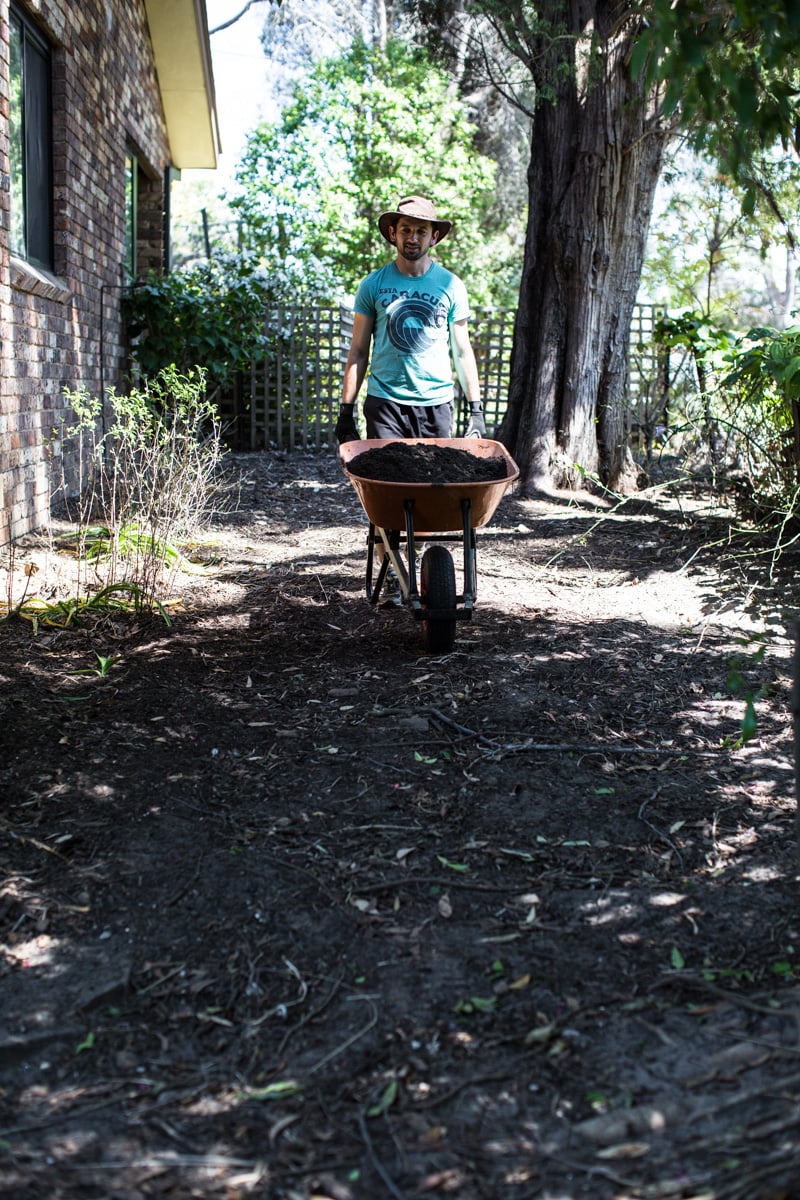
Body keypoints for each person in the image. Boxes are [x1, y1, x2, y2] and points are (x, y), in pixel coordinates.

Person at [335, 195, 485, 444]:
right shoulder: (373, 285)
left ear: (433, 237)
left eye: (421, 231)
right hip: (385, 404)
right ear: (393, 233)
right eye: (406, 229)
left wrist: (476, 411)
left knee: (431, 481)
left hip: (436, 405)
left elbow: (462, 352)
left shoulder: (451, 286)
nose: (413, 238)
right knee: (387, 481)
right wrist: (346, 412)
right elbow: (359, 352)